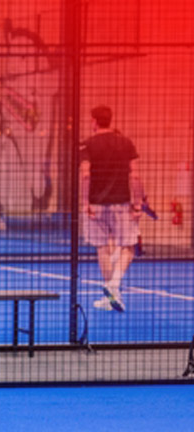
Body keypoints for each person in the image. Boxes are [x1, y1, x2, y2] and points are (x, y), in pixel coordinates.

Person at [80, 105, 140, 311]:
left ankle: (111, 289)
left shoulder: (87, 145)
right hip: (122, 203)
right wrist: (137, 202)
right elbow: (135, 175)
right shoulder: (126, 143)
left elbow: (85, 175)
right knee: (128, 246)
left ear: (94, 121)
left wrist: (85, 202)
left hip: (96, 204)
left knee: (102, 248)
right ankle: (114, 285)